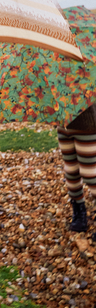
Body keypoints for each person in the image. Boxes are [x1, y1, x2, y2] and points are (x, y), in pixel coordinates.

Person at [57, 102, 96, 241]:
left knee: (90, 175)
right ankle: (79, 212)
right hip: (63, 125)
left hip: (88, 125)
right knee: (71, 172)